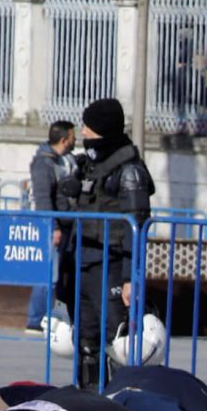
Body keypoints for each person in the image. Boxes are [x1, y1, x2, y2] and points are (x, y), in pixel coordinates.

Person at [52, 97, 156, 392]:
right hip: (82, 263)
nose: (82, 132)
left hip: (110, 266)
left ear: (103, 129)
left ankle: (119, 404)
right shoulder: (87, 167)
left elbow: (136, 227)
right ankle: (88, 401)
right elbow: (69, 212)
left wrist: (129, 279)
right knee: (85, 339)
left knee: (116, 342)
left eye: (88, 127)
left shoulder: (129, 170)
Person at [26, 119, 76, 335]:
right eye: (73, 137)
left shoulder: (64, 160)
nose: (76, 140)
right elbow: (43, 198)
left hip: (67, 226)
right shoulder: (44, 163)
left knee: (62, 273)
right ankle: (36, 320)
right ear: (64, 139)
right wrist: (53, 226)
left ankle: (59, 318)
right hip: (53, 226)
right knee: (48, 275)